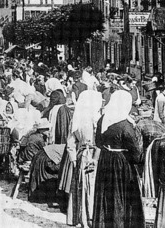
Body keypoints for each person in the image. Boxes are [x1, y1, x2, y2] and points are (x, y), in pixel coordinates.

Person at [93, 90, 144, 228]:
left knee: (106, 193)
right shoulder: (125, 126)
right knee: (120, 195)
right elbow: (136, 153)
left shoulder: (103, 119)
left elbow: (98, 141)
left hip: (105, 159)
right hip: (121, 162)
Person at [64, 90, 103, 227]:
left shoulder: (76, 119)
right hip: (95, 155)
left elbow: (70, 142)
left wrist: (73, 159)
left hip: (81, 155)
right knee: (93, 186)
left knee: (82, 186)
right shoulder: (98, 119)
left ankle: (81, 217)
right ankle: (93, 217)